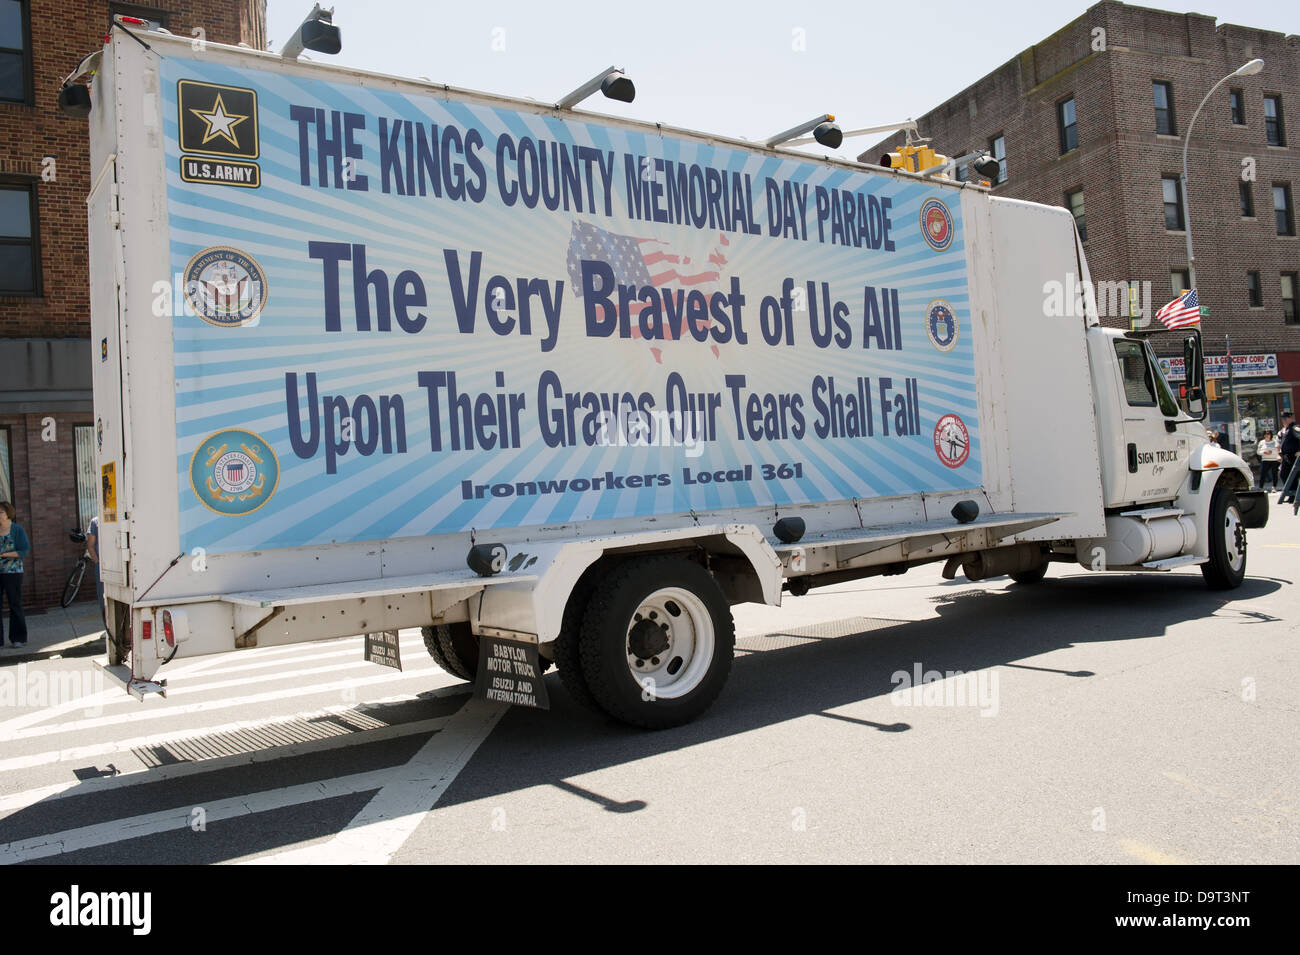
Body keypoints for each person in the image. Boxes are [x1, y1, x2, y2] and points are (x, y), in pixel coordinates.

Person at [0, 501, 31, 647]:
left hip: (13, 573)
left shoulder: (17, 529)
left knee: (15, 604)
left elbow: (24, 550)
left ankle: (17, 638)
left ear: (8, 514)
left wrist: (4, 555)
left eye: (1, 513)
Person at [86, 514, 105, 628]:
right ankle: (107, 626)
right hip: (102, 566)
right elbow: (90, 546)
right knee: (103, 598)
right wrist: (97, 562)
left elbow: (90, 546)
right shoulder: (96, 522)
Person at [1280, 414, 1300, 505]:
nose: (1284, 420)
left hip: (1293, 457)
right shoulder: (1286, 429)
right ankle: (1292, 494)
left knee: (1293, 476)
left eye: (1285, 418)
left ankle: (1294, 495)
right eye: (1283, 419)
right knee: (1284, 475)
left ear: (1290, 419)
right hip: (1286, 457)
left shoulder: (1295, 428)